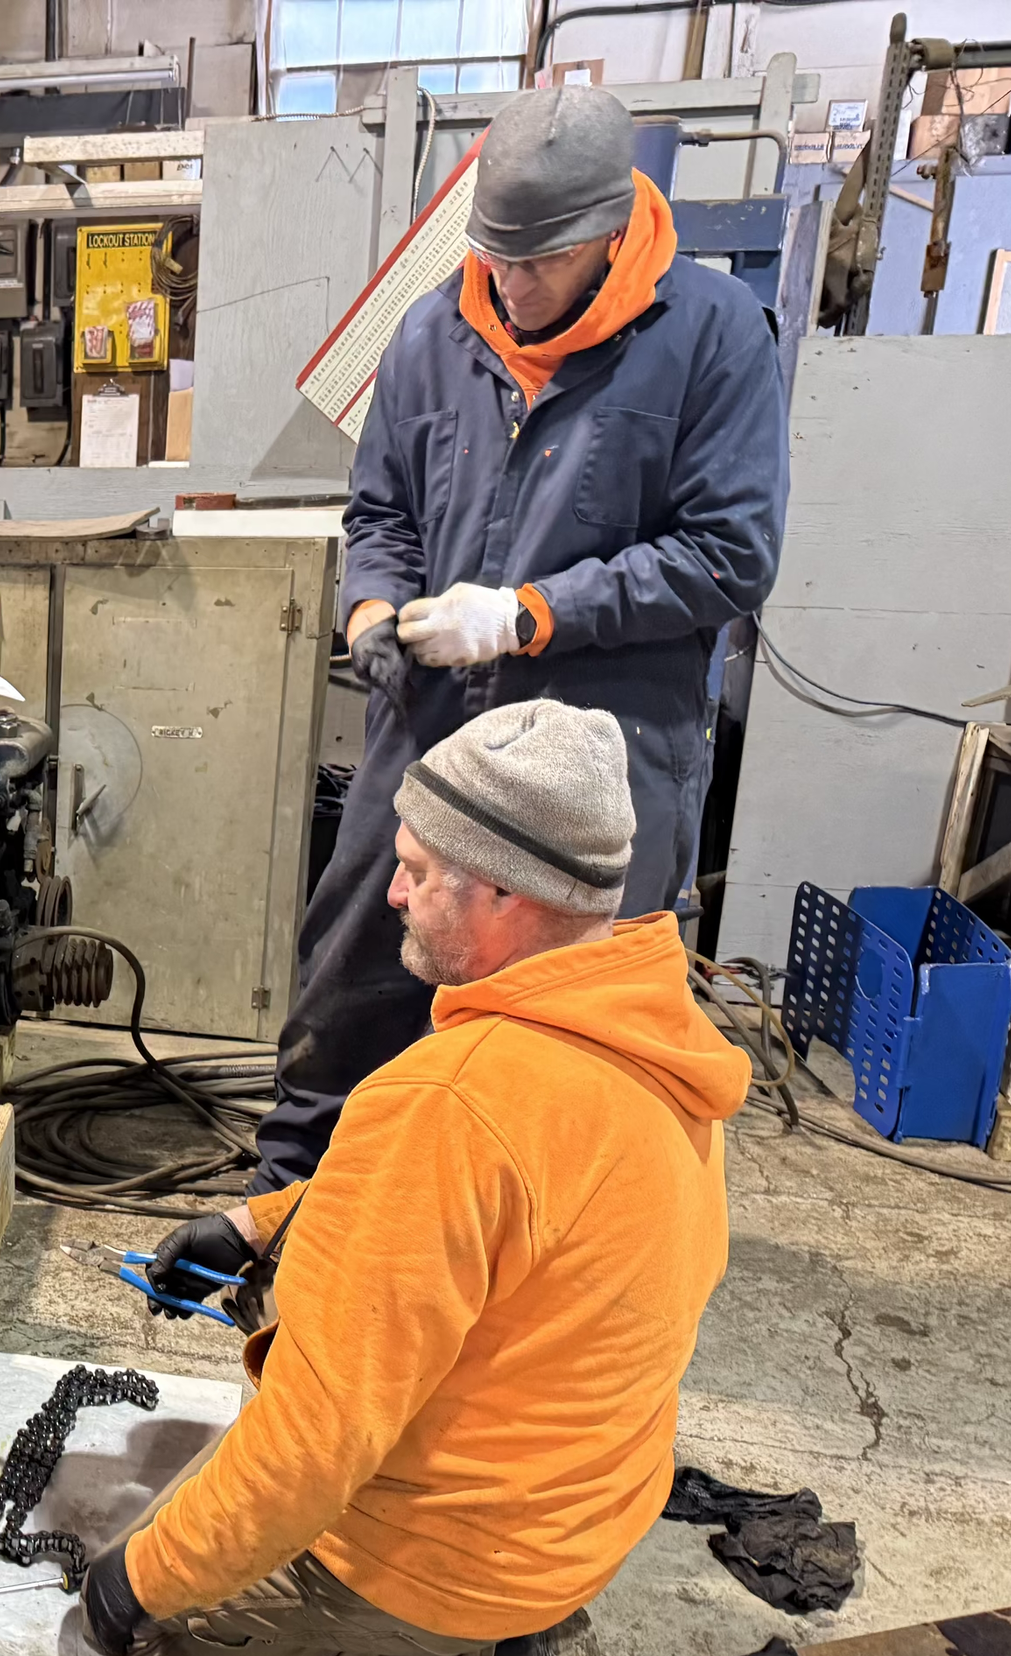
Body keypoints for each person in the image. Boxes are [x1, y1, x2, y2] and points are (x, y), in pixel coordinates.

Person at [88, 701, 752, 1656]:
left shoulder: (453, 1099)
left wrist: (133, 1586)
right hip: (582, 1505)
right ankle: (492, 1640)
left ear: (502, 893)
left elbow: (311, 1446)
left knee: (156, 1631)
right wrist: (259, 1221)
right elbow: (490, 1208)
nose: (390, 894)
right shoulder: (639, 1033)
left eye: (413, 868)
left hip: (460, 1560)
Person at [248, 82, 786, 1192]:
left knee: (574, 1034)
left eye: (535, 261)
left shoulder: (710, 338)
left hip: (604, 754)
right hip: (432, 734)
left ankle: (542, 1242)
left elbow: (731, 555)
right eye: (495, 255)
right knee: (353, 971)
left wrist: (530, 615)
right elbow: (382, 513)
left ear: (605, 233)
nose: (510, 283)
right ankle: (291, 1209)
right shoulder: (436, 330)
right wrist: (369, 606)